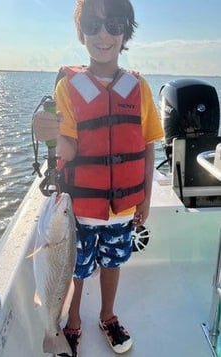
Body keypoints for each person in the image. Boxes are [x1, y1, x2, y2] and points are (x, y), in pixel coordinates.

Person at [33, 0, 164, 355]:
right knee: (75, 270)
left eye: (114, 24)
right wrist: (48, 134)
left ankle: (107, 315)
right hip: (81, 212)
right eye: (92, 24)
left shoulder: (140, 88)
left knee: (113, 264)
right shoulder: (68, 88)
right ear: (81, 32)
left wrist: (146, 198)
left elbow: (148, 146)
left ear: (126, 33)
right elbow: (69, 149)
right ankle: (72, 320)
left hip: (123, 211)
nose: (103, 34)